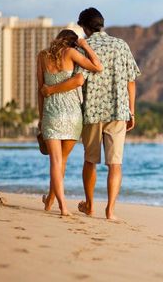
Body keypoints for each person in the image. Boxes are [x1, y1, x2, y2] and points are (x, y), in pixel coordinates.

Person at [41, 7, 141, 220]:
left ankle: (90, 206)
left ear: (84, 27)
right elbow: (131, 81)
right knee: (115, 164)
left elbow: (77, 79)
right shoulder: (121, 45)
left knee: (90, 161)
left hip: (91, 112)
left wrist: (50, 90)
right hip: (118, 111)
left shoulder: (83, 47)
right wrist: (131, 111)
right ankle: (110, 211)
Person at [37, 29, 104, 216]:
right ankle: (52, 202)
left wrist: (41, 117)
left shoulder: (42, 56)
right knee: (62, 162)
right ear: (73, 43)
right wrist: (85, 46)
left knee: (55, 162)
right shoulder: (72, 53)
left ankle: (60, 205)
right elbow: (98, 66)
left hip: (52, 113)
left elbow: (40, 90)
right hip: (73, 115)